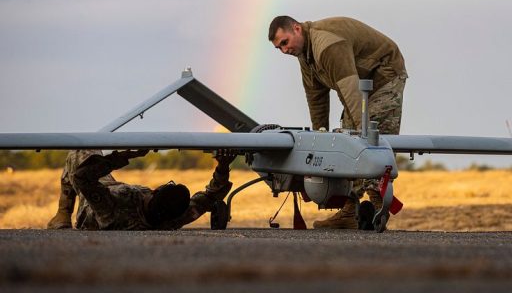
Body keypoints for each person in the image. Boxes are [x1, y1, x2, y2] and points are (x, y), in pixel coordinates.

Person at [268, 15, 407, 229]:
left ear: (296, 29)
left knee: (369, 135)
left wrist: (362, 138)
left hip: (385, 75)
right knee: (347, 135)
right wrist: (319, 141)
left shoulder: (326, 45)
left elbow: (349, 90)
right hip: (361, 84)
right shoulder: (305, 56)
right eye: (279, 48)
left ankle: (377, 208)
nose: (284, 51)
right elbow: (317, 100)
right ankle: (350, 211)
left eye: (284, 43)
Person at [47, 149, 234, 230]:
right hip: (109, 193)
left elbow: (82, 177)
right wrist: (223, 166)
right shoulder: (173, 218)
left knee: (79, 154)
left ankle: (62, 213)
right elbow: (211, 196)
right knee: (85, 165)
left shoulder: (115, 207)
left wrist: (126, 155)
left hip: (93, 207)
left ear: (154, 191)